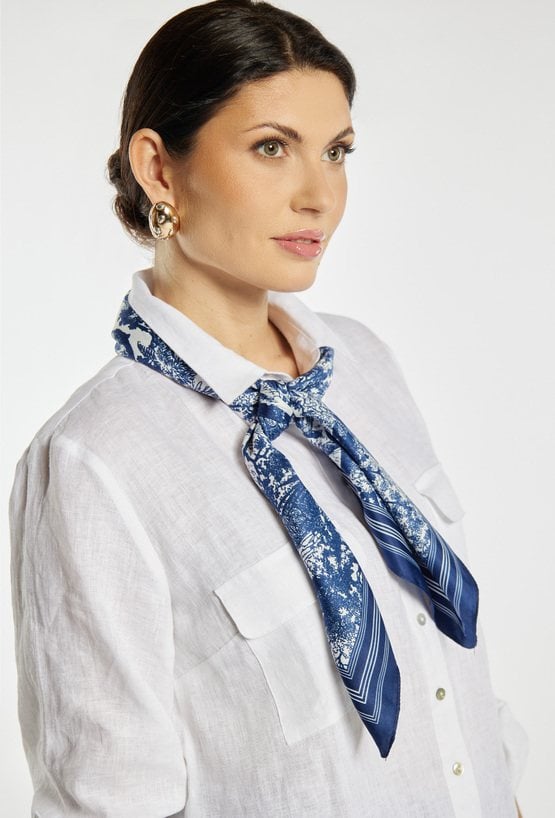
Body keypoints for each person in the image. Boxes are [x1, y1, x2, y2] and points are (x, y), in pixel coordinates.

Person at [9, 0, 528, 815]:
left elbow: (452, 678)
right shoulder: (95, 460)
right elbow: (108, 797)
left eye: (336, 152)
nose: (319, 195)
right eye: (271, 148)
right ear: (158, 170)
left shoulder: (362, 365)